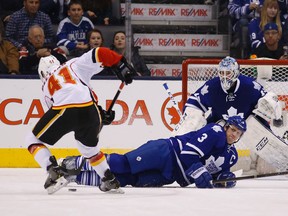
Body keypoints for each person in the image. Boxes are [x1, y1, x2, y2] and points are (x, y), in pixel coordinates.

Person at [24, 46, 135, 194]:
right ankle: (109, 180)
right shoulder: (73, 64)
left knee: (33, 140)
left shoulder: (45, 87)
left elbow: (60, 113)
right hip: (90, 109)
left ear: (42, 73)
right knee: (89, 149)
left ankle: (54, 172)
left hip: (64, 108)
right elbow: (99, 52)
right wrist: (120, 63)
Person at [59, 115, 247, 189]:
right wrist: (200, 173)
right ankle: (74, 163)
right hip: (166, 152)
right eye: (232, 129)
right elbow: (189, 154)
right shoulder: (215, 131)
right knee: (124, 164)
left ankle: (74, 178)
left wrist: (225, 179)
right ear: (226, 127)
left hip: (170, 175)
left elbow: (215, 176)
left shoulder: (231, 155)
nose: (233, 134)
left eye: (237, 133)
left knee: (126, 180)